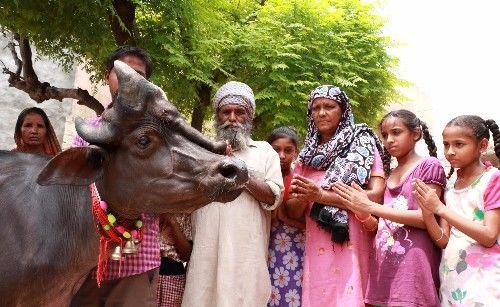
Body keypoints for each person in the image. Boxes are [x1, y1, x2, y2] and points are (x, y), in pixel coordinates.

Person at [71, 45, 159, 307]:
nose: (131, 79)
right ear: (106, 76)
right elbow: (74, 193)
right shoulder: (84, 132)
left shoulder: (161, 132)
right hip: (88, 260)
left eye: (139, 75)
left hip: (138, 261)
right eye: (122, 72)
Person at [182, 81, 284, 307]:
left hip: (246, 259)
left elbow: (273, 198)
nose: (232, 118)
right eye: (225, 111)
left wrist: (239, 170)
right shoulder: (201, 151)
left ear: (250, 117)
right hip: (205, 257)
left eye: (240, 112)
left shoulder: (265, 152)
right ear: (217, 116)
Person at [286, 85, 385, 307]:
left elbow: (376, 196)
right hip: (316, 244)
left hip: (353, 238)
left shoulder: (362, 143)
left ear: (343, 110)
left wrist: (321, 195)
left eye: (329, 106)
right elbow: (292, 209)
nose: (321, 113)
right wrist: (305, 197)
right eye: (315, 108)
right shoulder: (307, 155)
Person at [334, 109, 445, 306]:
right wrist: (363, 213)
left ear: (416, 134)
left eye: (396, 132)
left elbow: (425, 218)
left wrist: (371, 207)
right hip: (384, 267)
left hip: (413, 267)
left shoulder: (429, 165)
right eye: (384, 135)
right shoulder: (389, 174)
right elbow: (379, 226)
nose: (389, 140)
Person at [413, 115, 500, 306]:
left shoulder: (493, 180)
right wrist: (428, 212)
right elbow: (444, 240)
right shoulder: (451, 185)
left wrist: (439, 208)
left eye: (459, 144)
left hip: (484, 285)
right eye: (446, 144)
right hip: (453, 281)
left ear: (482, 146)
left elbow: (489, 236)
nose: (450, 152)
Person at [266, 127, 305, 307]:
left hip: (295, 250)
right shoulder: (262, 179)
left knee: (291, 294)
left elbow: (309, 223)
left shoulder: (299, 180)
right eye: (276, 150)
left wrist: (285, 219)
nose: (281, 155)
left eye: (288, 150)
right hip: (265, 248)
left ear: (295, 152)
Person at [157, 214, 192, 307]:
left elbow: (187, 255)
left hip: (174, 273)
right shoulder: (147, 211)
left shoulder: (183, 215)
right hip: (148, 272)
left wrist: (172, 222)